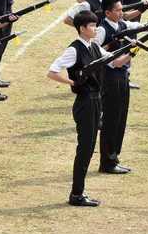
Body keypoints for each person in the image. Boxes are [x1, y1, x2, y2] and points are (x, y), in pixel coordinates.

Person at [47, 11, 121, 207]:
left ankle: (79, 192)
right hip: (85, 102)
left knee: (88, 148)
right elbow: (52, 71)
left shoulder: (95, 46)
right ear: (82, 28)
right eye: (92, 26)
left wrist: (133, 50)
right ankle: (77, 193)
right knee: (85, 149)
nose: (96, 29)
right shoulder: (74, 50)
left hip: (96, 101)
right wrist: (73, 82)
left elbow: (114, 61)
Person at [95, 0, 138, 175]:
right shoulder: (101, 31)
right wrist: (131, 54)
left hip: (122, 76)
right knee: (111, 120)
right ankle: (107, 161)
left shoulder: (121, 25)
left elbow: (138, 26)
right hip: (110, 77)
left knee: (121, 118)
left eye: (122, 9)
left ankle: (114, 156)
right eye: (118, 10)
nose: (122, 13)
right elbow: (101, 56)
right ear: (107, 12)